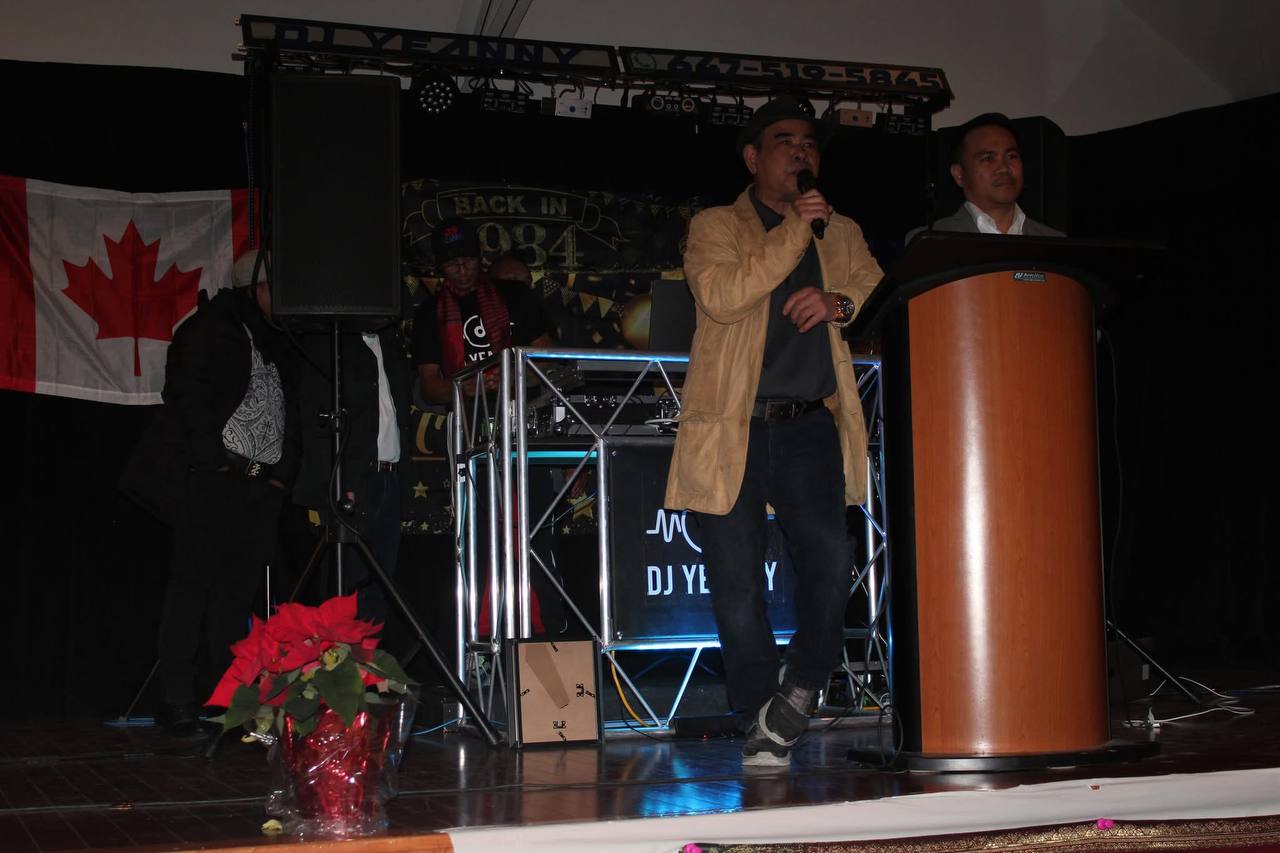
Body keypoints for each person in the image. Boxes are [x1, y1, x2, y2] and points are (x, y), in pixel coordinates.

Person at [664, 96, 881, 766]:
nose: (801, 152)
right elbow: (724, 295)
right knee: (736, 584)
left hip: (808, 424)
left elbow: (877, 291)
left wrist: (840, 301)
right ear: (753, 157)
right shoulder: (715, 225)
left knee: (831, 558)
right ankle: (763, 716)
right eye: (785, 141)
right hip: (733, 426)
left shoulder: (840, 230)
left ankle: (801, 686)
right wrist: (793, 230)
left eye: (810, 143)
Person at [132, 251, 299, 736]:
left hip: (260, 486)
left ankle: (224, 699)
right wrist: (215, 463)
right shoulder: (208, 328)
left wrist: (281, 474)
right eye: (277, 290)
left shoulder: (279, 337)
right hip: (215, 481)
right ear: (256, 288)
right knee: (192, 588)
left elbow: (289, 406)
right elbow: (186, 397)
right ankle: (177, 700)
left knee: (235, 595)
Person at [291, 313, 414, 627]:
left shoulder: (390, 342)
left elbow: (399, 413)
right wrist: (337, 481)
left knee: (381, 586)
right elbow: (314, 417)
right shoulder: (330, 343)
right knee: (347, 588)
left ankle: (371, 656)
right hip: (353, 481)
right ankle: (341, 657)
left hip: (389, 475)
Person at [411, 220, 554, 405]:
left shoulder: (516, 294)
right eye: (453, 264)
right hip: (465, 419)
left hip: (523, 411)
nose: (462, 270)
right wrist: (460, 387)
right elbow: (429, 387)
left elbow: (547, 359)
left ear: (479, 257)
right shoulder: (428, 312)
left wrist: (513, 375)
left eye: (469, 260)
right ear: (439, 265)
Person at [912, 112, 1065, 239]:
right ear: (959, 174)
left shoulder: (1055, 242)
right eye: (988, 158)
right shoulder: (930, 241)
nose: (1004, 168)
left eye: (1012, 156)